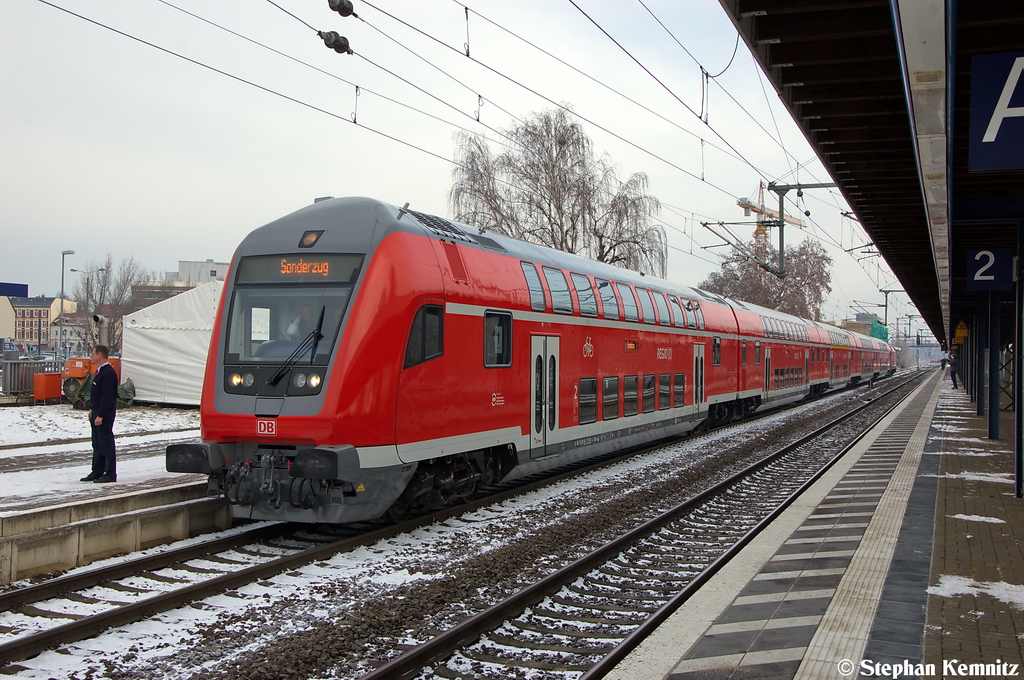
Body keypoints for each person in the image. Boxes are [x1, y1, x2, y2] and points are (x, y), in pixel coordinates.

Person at [81, 345, 118, 483]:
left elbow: (107, 397)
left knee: (105, 443)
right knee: (97, 443)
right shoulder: (100, 372)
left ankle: (110, 473)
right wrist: (92, 409)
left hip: (104, 414)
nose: (91, 356)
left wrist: (101, 415)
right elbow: (97, 394)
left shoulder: (108, 373)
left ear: (100, 355)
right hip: (96, 411)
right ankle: (97, 470)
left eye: (93, 353)